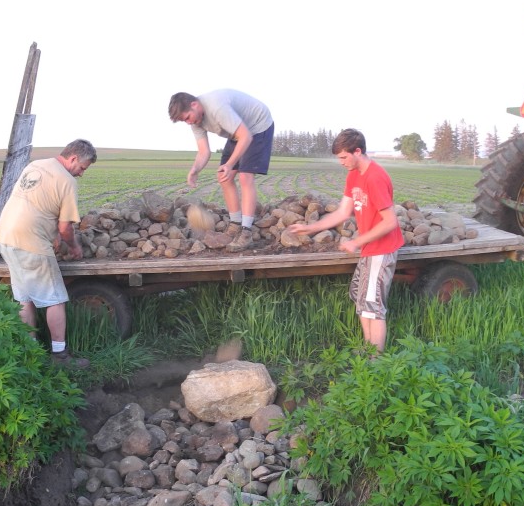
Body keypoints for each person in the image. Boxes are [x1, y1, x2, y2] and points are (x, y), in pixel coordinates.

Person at [287, 128, 403, 353]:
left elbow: (390, 222)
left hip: (381, 250)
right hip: (369, 249)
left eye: (343, 157)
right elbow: (342, 212)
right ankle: (368, 349)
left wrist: (356, 242)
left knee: (373, 307)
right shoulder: (353, 175)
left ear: (357, 151)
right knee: (360, 299)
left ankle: (375, 362)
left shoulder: (375, 177)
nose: (340, 162)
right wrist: (310, 227)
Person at [0, 138, 97, 367]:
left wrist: (54, 237)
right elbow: (65, 227)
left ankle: (30, 353)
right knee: (55, 300)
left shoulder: (36, 165)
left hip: (6, 238)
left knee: (24, 298)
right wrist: (74, 247)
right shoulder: (67, 180)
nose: (81, 173)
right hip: (31, 243)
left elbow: (38, 205)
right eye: (82, 168)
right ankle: (60, 356)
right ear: (73, 159)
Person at [168, 89, 274, 230]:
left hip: (257, 125)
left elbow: (246, 137)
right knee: (223, 176)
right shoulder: (195, 121)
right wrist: (195, 169)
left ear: (194, 104)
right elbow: (204, 151)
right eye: (184, 121)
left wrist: (230, 164)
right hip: (237, 131)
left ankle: (246, 230)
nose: (188, 123)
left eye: (187, 118)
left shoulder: (217, 108)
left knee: (245, 176)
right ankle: (236, 223)